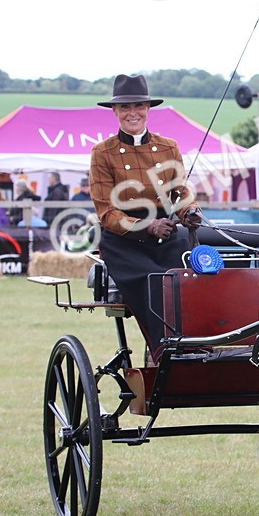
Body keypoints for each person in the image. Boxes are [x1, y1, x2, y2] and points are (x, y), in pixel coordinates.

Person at [89, 73, 201, 359]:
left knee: (188, 278)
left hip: (166, 231)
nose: (132, 113)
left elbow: (180, 192)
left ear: (148, 109)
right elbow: (106, 211)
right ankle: (162, 348)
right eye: (125, 107)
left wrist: (189, 211)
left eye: (138, 106)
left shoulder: (168, 147)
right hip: (123, 239)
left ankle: (197, 342)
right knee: (156, 281)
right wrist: (147, 226)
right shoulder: (103, 153)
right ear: (115, 111)